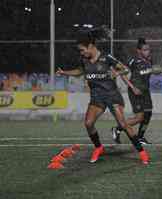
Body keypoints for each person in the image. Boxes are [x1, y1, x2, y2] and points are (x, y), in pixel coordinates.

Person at [56, 29, 149, 164]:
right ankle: (98, 147)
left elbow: (125, 69)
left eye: (82, 50)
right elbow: (80, 71)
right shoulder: (84, 60)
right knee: (88, 123)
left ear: (91, 46)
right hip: (97, 97)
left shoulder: (107, 58)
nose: (81, 53)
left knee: (123, 124)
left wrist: (116, 74)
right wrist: (65, 73)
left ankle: (142, 152)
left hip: (112, 95)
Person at [111, 38, 162, 145]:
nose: (147, 51)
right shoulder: (133, 61)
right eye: (145, 50)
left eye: (148, 49)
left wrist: (159, 71)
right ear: (139, 51)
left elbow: (149, 72)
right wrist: (132, 87)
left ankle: (140, 137)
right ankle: (117, 128)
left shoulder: (149, 60)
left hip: (145, 91)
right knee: (139, 117)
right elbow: (122, 73)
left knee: (148, 114)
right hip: (135, 91)